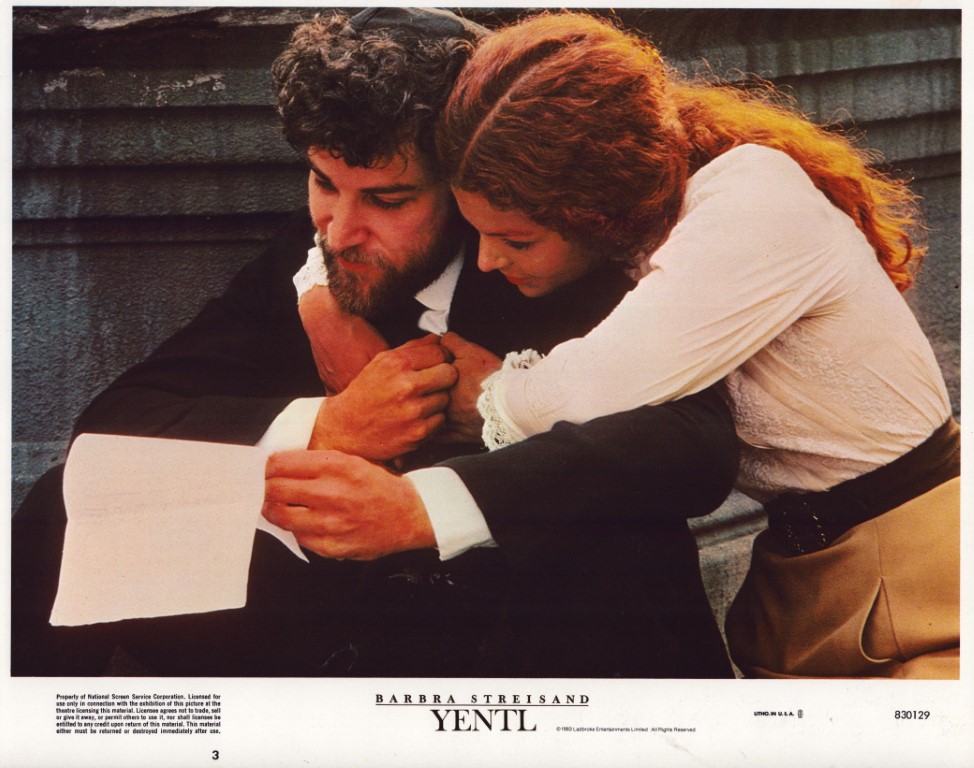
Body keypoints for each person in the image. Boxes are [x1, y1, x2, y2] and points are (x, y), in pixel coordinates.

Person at [11, 8, 738, 679]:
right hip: (353, 628)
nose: (339, 231)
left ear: (471, 181)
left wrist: (424, 505)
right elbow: (115, 423)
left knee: (609, 550)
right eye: (323, 183)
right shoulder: (319, 254)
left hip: (528, 642)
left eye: (389, 200)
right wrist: (328, 426)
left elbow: (695, 448)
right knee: (68, 504)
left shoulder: (552, 256)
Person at [300, 11, 959, 680]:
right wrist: (319, 296)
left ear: (599, 210)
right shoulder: (649, 215)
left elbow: (596, 386)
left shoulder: (751, 203)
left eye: (516, 240)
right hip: (801, 572)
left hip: (924, 575)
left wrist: (487, 396)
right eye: (480, 234)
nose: (488, 261)